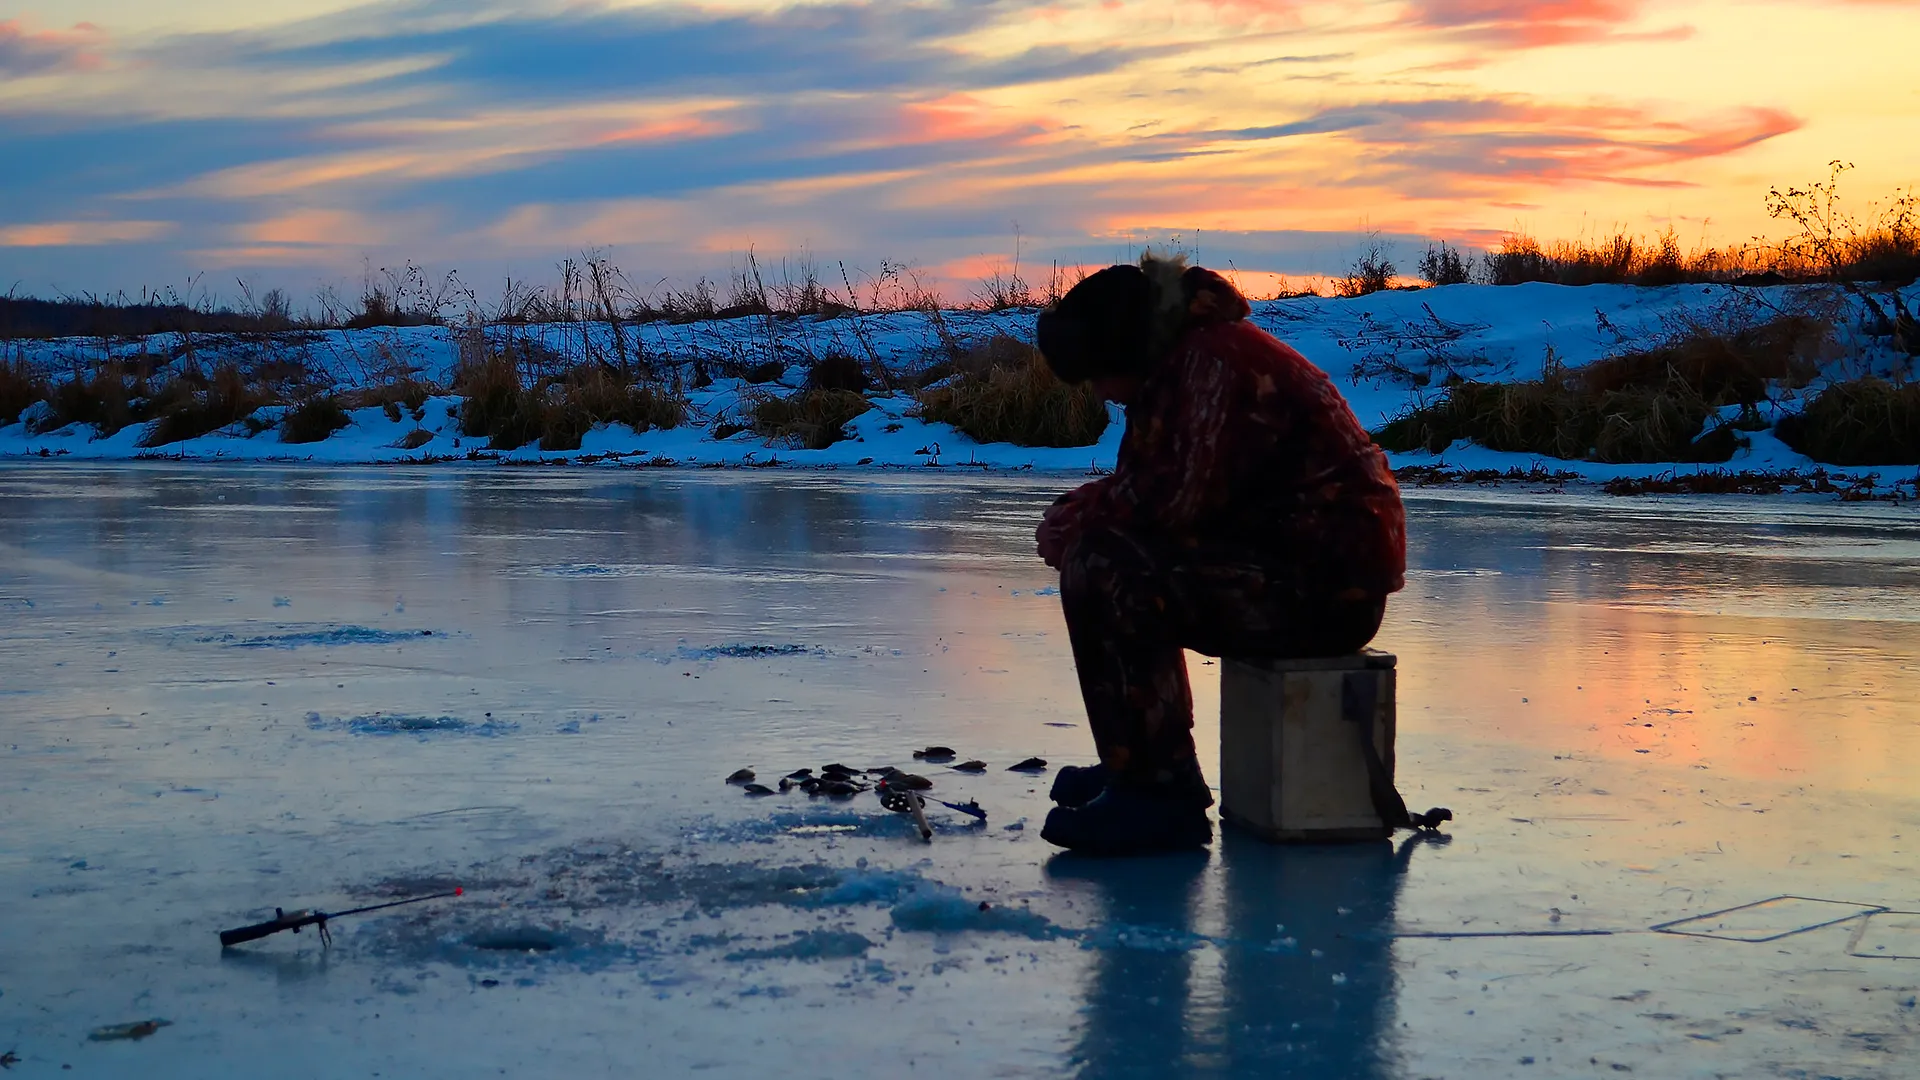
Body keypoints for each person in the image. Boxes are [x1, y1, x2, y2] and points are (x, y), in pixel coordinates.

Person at [1033, 255, 1406, 855]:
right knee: (1104, 552)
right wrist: (1087, 512)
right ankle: (1139, 765)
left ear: (1121, 349)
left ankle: (1159, 794)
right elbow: (1160, 486)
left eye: (1098, 375)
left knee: (1105, 566)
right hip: (1294, 568)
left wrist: (1079, 521)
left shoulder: (1212, 363)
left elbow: (1173, 501)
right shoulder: (1189, 359)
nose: (1100, 392)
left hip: (1323, 593)